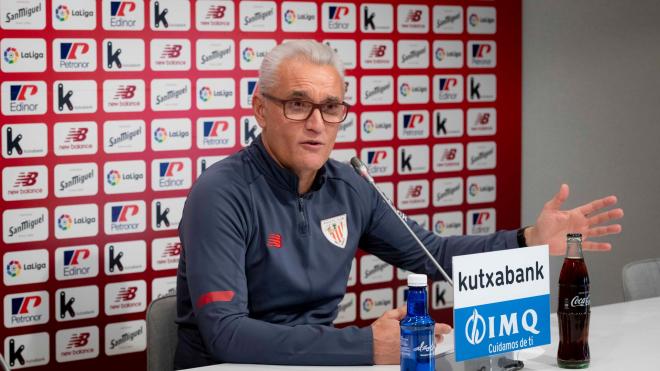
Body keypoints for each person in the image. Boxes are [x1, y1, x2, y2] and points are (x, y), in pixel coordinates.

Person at [173, 40, 623, 369]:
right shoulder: (221, 194)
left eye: (331, 108)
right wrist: (369, 348)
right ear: (260, 109)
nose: (316, 124)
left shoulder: (349, 186)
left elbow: (434, 255)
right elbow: (226, 335)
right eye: (297, 105)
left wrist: (529, 241)